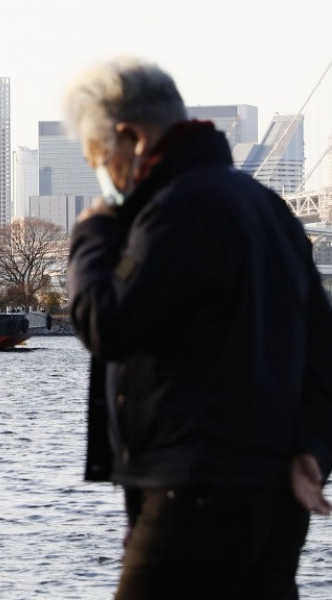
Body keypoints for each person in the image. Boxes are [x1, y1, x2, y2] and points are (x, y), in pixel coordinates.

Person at [64, 58, 332, 599]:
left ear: (130, 138)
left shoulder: (175, 211)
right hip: (276, 491)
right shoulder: (268, 208)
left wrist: (93, 235)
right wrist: (313, 449)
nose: (104, 175)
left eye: (99, 158)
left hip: (195, 489)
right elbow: (322, 348)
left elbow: (108, 322)